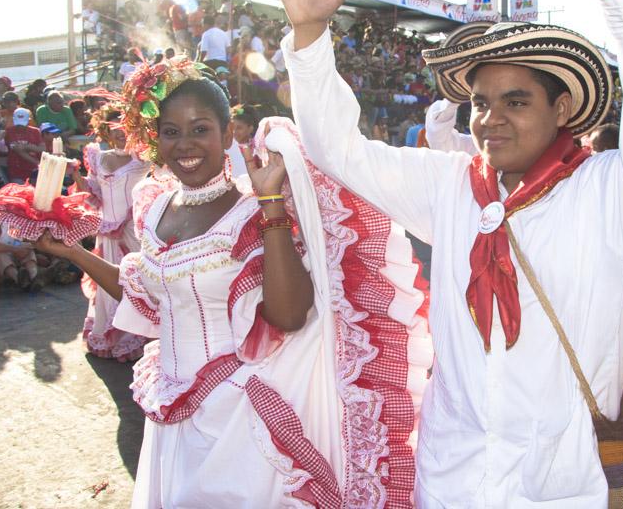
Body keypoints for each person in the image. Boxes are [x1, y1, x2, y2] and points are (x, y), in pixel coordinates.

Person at [274, 0, 623, 504]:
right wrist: (308, 35)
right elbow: (338, 150)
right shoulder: (451, 186)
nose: (491, 118)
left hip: (563, 483)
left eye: (516, 100)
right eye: (480, 102)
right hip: (453, 473)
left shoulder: (609, 192)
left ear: (562, 111)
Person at [35, 56, 431, 507]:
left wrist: (271, 206)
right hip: (171, 415)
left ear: (227, 136)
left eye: (200, 129)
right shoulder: (155, 208)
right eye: (171, 131)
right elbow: (142, 296)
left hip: (241, 420)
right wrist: (71, 252)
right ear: (155, 139)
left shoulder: (250, 212)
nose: (185, 144)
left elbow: (289, 314)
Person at [70, 107, 150, 362]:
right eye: (114, 131)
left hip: (134, 230)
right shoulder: (98, 157)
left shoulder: (143, 159)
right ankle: (113, 334)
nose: (120, 136)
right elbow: (93, 195)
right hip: (107, 232)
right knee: (107, 282)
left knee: (139, 280)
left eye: (124, 131)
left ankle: (139, 334)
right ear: (106, 131)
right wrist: (76, 177)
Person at [4, 108, 42, 184]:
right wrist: (37, 162)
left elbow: (42, 148)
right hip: (16, 170)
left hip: (33, 169)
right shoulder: (9, 131)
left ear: (28, 120)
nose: (20, 126)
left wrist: (26, 146)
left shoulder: (35, 131)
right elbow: (18, 150)